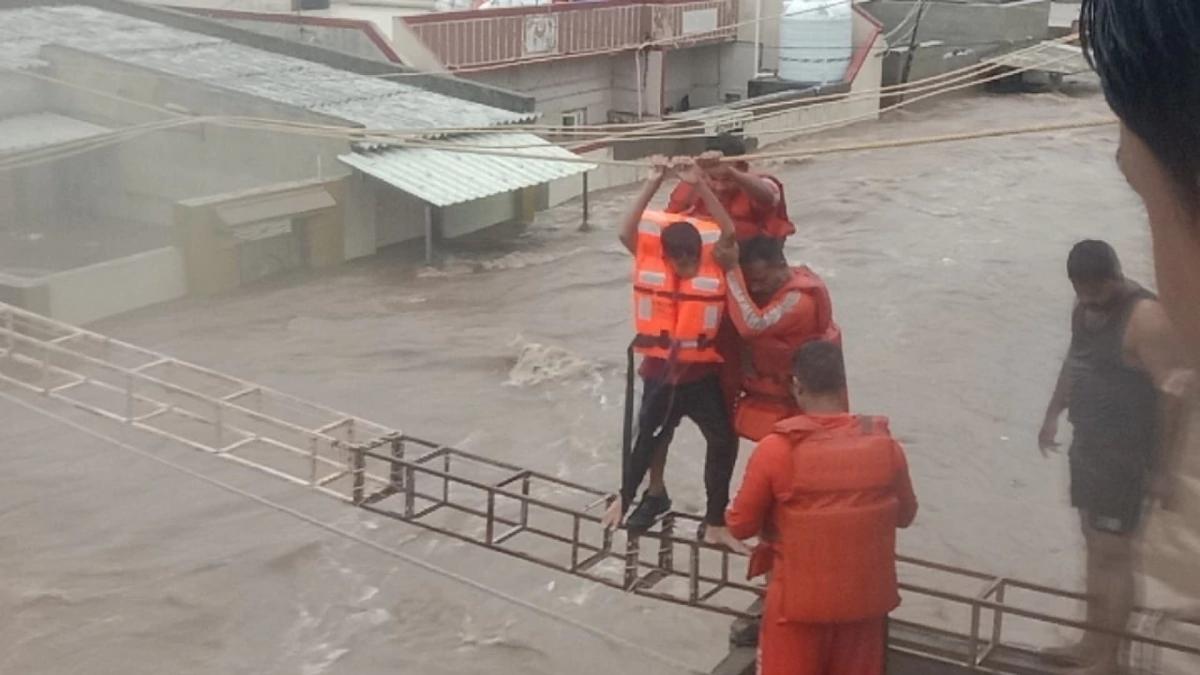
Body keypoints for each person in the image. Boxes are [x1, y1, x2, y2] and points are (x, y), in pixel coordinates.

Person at [1037, 240, 1190, 674]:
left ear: (1115, 276)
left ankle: (1110, 659)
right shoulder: (1084, 308)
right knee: (1093, 546)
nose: (1090, 301)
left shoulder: (1146, 318)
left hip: (1127, 459)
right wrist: (1052, 412)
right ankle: (1090, 643)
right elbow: (1076, 359)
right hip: (1089, 449)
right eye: (1082, 293)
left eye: (1097, 292)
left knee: (1115, 554)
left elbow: (1177, 393)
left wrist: (1164, 471)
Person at [726, 340, 917, 675]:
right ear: (843, 387)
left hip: (795, 612)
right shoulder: (887, 448)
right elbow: (906, 516)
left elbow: (740, 524)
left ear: (797, 387)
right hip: (864, 610)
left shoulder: (776, 450)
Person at [601, 155, 744, 551]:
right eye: (680, 261)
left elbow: (728, 231)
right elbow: (624, 230)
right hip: (661, 375)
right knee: (646, 437)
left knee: (723, 440)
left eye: (691, 260)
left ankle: (715, 520)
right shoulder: (650, 258)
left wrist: (699, 185)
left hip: (699, 378)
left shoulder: (710, 260)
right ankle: (628, 498)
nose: (686, 267)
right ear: (667, 257)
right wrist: (652, 181)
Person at [715, 235, 842, 440]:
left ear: (781, 266)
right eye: (750, 282)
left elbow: (751, 325)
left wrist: (732, 272)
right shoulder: (776, 290)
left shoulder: (800, 301)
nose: (755, 288)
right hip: (778, 395)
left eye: (761, 280)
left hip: (802, 400)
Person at [665, 134, 795, 243]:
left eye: (727, 179)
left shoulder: (758, 185)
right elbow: (667, 222)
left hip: (755, 261)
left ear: (743, 169)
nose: (720, 188)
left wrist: (731, 172)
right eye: (713, 179)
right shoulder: (692, 184)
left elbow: (768, 196)